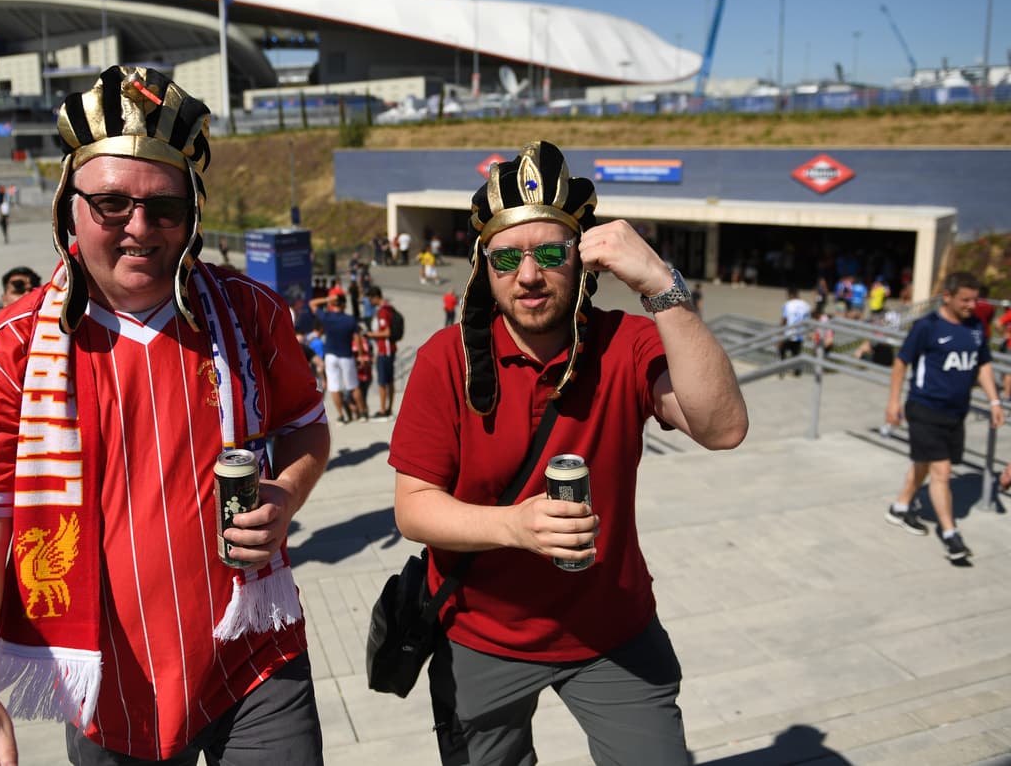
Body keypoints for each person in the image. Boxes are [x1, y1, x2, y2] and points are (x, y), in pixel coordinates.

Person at [0, 66, 330, 766]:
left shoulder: (251, 313)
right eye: (111, 203)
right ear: (68, 206)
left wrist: (287, 492)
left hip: (256, 655)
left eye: (164, 207)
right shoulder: (12, 350)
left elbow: (306, 426)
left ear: (192, 214)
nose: (139, 227)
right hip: (109, 689)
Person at [389, 141, 747, 765]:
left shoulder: (626, 343)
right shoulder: (445, 359)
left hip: (613, 631)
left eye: (551, 253)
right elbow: (414, 510)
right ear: (484, 269)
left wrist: (662, 284)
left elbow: (723, 428)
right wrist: (514, 525)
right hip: (482, 636)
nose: (529, 276)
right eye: (506, 260)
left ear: (581, 261)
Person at [883, 271, 1005, 562]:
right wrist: (893, 403)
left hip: (956, 412)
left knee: (924, 464)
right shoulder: (927, 327)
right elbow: (901, 363)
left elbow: (984, 365)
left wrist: (995, 400)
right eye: (965, 299)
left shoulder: (976, 327)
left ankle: (900, 508)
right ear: (947, 297)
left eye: (975, 300)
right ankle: (951, 536)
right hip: (925, 408)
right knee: (942, 472)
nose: (971, 306)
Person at [310, 292, 366, 423]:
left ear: (332, 304)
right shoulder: (350, 319)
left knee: (334, 387)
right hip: (346, 355)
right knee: (353, 386)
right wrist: (362, 355)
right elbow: (357, 338)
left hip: (330, 355)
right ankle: (362, 412)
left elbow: (312, 303)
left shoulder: (327, 317)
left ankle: (341, 415)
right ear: (344, 305)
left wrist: (328, 298)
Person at [363, 285, 398, 419]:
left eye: (370, 300)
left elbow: (386, 332)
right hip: (390, 349)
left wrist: (370, 334)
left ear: (375, 298)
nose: (370, 303)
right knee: (389, 381)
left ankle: (383, 410)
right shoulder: (389, 308)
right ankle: (388, 408)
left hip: (385, 350)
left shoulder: (383, 311)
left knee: (383, 382)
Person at [778, 287, 811, 377]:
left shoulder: (787, 304)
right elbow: (808, 320)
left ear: (790, 295)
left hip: (789, 334)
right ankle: (797, 372)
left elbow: (784, 320)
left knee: (782, 351)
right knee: (796, 353)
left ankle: (782, 370)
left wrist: (779, 334)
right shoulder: (806, 305)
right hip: (800, 334)